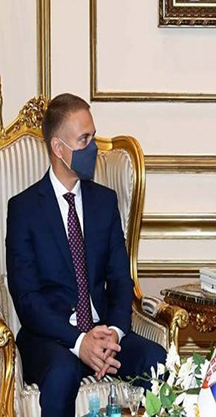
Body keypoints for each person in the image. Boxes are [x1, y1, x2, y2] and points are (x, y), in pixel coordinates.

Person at [6, 93, 166, 416]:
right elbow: (26, 298)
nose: (93, 148)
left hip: (104, 330)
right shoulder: (24, 209)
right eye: (84, 140)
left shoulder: (104, 202)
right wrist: (80, 342)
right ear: (58, 148)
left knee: (157, 361)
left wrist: (113, 334)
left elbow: (120, 280)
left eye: (93, 136)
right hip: (50, 338)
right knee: (62, 373)